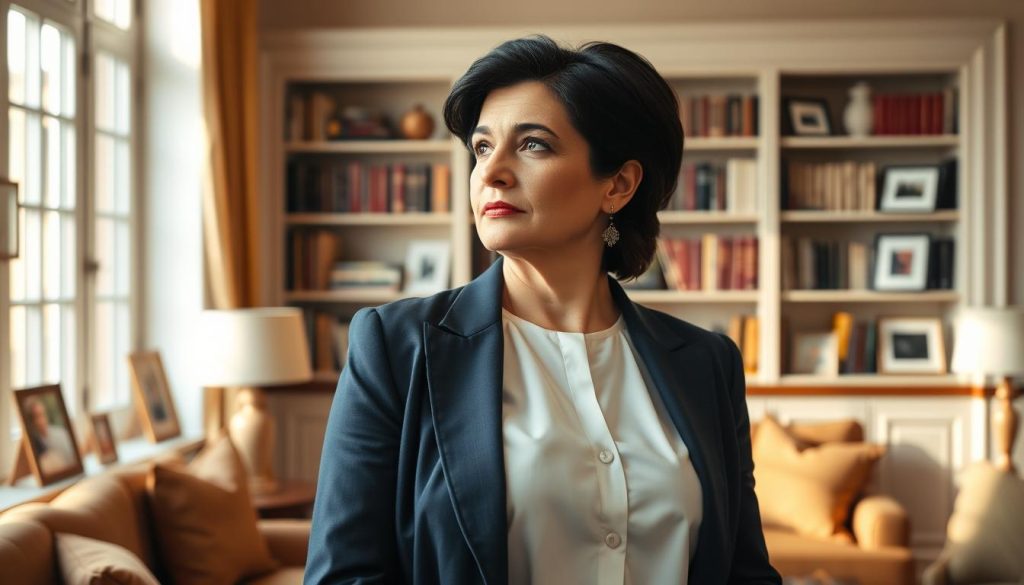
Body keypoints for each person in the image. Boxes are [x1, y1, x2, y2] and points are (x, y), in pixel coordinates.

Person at [306, 36, 781, 585]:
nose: (493, 172)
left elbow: (746, 572)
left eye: (533, 145)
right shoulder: (395, 347)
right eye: (482, 148)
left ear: (619, 185)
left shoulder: (707, 362)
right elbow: (345, 576)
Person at [23, 396, 77, 476]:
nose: (40, 421)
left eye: (42, 415)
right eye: (36, 417)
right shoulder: (33, 443)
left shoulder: (61, 434)